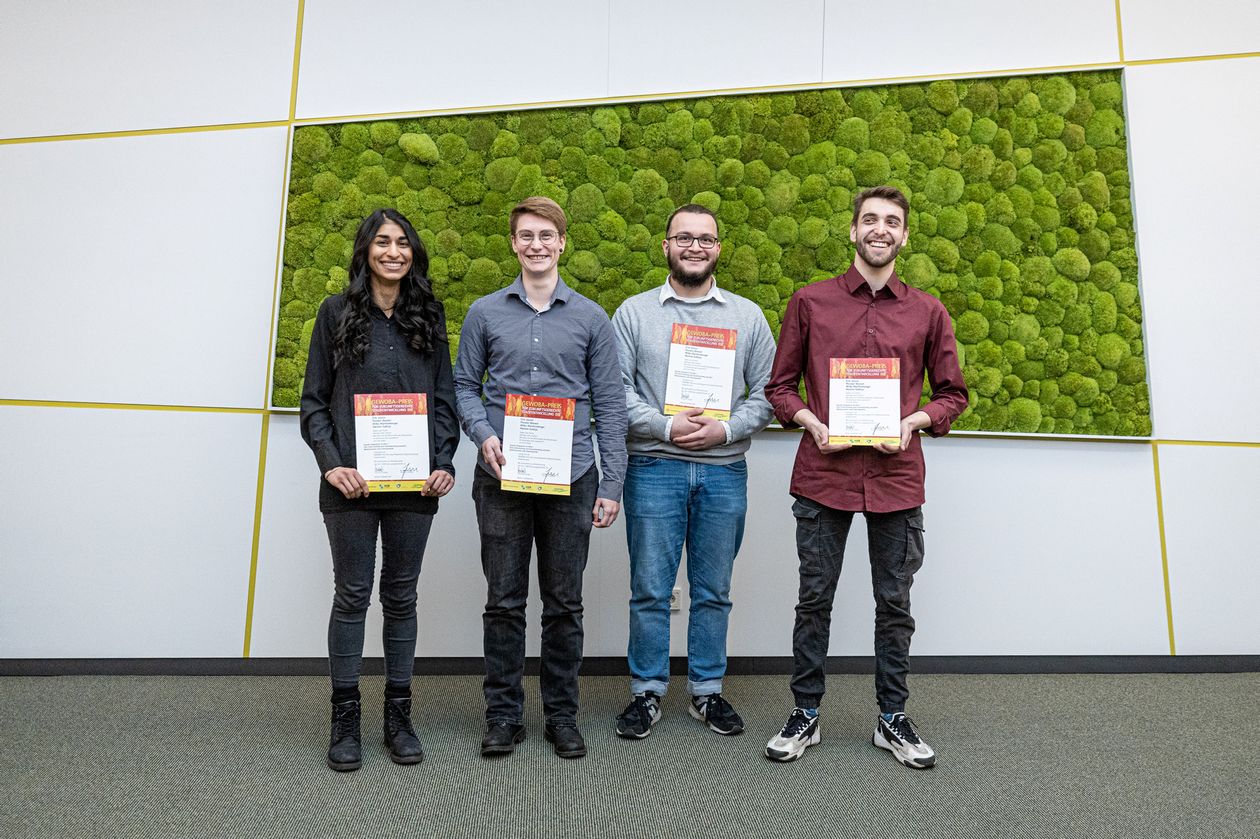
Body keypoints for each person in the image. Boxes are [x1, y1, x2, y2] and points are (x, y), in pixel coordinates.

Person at [762, 186, 968, 767]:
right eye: (870, 220)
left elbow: (953, 395)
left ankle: (892, 718)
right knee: (814, 599)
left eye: (892, 222)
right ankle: (806, 714)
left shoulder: (928, 311)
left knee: (894, 603)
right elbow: (779, 388)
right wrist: (809, 420)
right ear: (853, 231)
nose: (880, 229)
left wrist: (917, 420)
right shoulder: (810, 302)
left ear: (904, 236)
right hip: (823, 474)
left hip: (896, 476)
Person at [454, 196, 627, 759]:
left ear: (562, 243)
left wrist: (610, 484)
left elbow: (609, 405)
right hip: (500, 475)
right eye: (526, 235)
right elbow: (462, 388)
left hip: (572, 476)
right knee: (503, 601)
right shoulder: (484, 313)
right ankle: (503, 715)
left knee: (564, 603)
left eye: (546, 236)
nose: (536, 245)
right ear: (513, 243)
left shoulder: (591, 318)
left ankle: (560, 716)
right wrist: (483, 434)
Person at [300, 208, 459, 772]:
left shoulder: (430, 315)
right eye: (382, 242)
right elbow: (314, 404)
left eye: (403, 243)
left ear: (413, 253)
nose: (394, 251)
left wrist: (445, 461)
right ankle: (346, 717)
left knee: (402, 596)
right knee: (352, 596)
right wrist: (331, 465)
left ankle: (398, 716)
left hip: (416, 488)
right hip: (352, 488)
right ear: (366, 249)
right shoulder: (334, 313)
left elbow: (444, 399)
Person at [610, 204, 775, 739]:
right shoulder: (633, 314)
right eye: (684, 238)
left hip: (724, 471)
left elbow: (770, 392)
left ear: (718, 248)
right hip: (654, 466)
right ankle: (647, 693)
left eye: (705, 239)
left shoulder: (746, 317)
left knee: (713, 589)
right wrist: (665, 426)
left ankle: (707, 692)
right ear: (665, 246)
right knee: (650, 589)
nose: (695, 247)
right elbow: (616, 393)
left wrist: (725, 431)